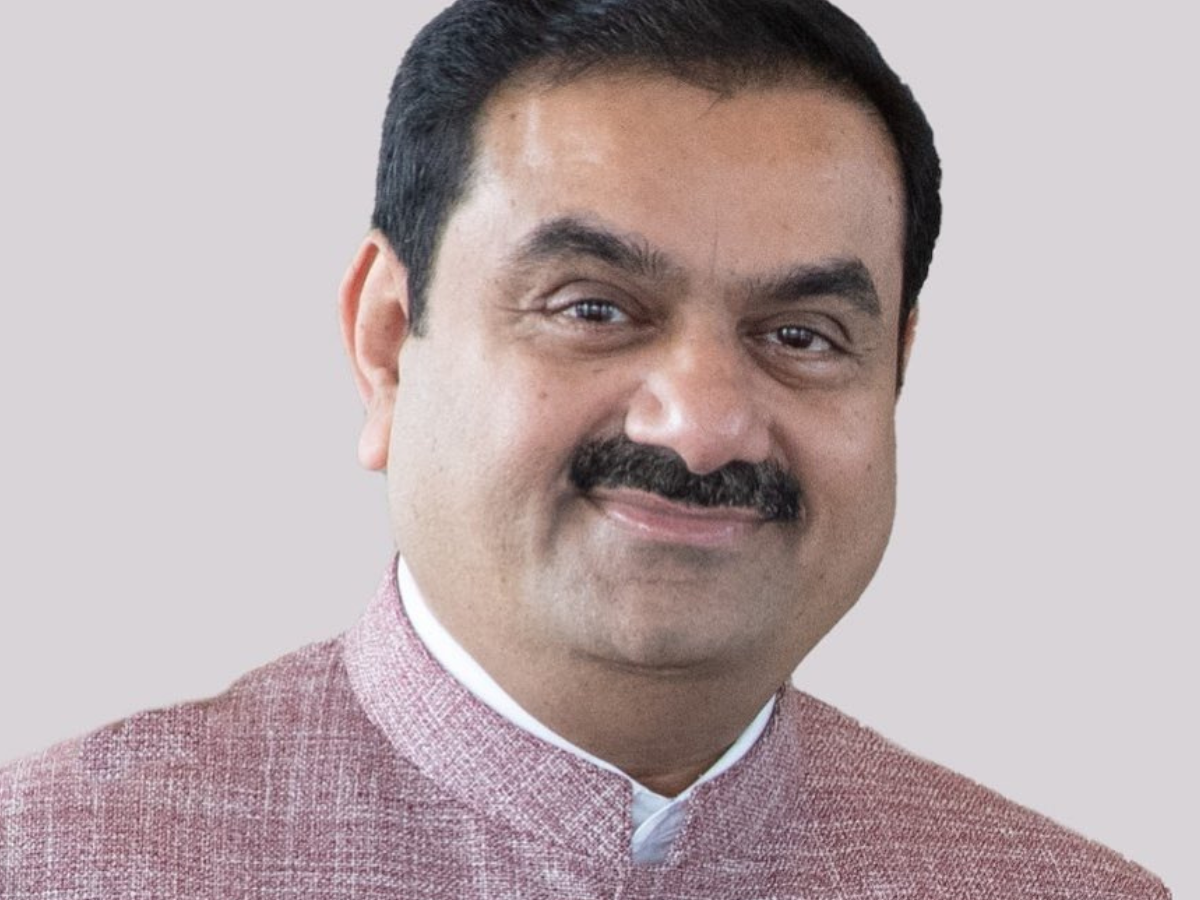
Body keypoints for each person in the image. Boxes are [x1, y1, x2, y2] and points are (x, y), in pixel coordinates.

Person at [0, 0, 1172, 896]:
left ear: (896, 372)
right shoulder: (60, 863)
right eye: (594, 308)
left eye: (800, 335)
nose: (701, 425)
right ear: (388, 338)